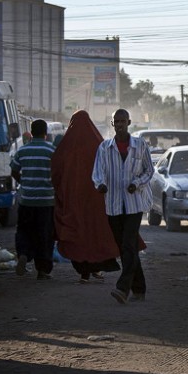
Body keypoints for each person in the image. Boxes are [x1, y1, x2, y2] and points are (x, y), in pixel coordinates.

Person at [92, 109, 154, 304]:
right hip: (113, 205)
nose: (119, 124)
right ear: (112, 124)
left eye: (122, 121)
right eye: (116, 121)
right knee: (126, 248)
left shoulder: (140, 145)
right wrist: (100, 184)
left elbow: (149, 171)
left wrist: (136, 183)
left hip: (134, 204)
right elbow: (97, 172)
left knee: (128, 244)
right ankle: (140, 289)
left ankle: (122, 288)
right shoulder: (104, 147)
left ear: (129, 122)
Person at [51, 110, 121, 283]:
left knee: (78, 233)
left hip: (73, 199)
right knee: (95, 232)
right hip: (97, 199)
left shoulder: (66, 147)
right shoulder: (99, 144)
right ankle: (96, 267)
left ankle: (84, 272)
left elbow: (55, 171)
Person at [11, 119, 56, 280]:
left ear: (31, 131)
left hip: (27, 200)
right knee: (45, 235)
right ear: (45, 133)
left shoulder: (23, 150)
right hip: (46, 201)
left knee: (24, 230)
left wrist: (24, 181)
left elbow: (14, 170)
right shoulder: (52, 150)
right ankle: (43, 270)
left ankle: (23, 253)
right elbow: (58, 173)